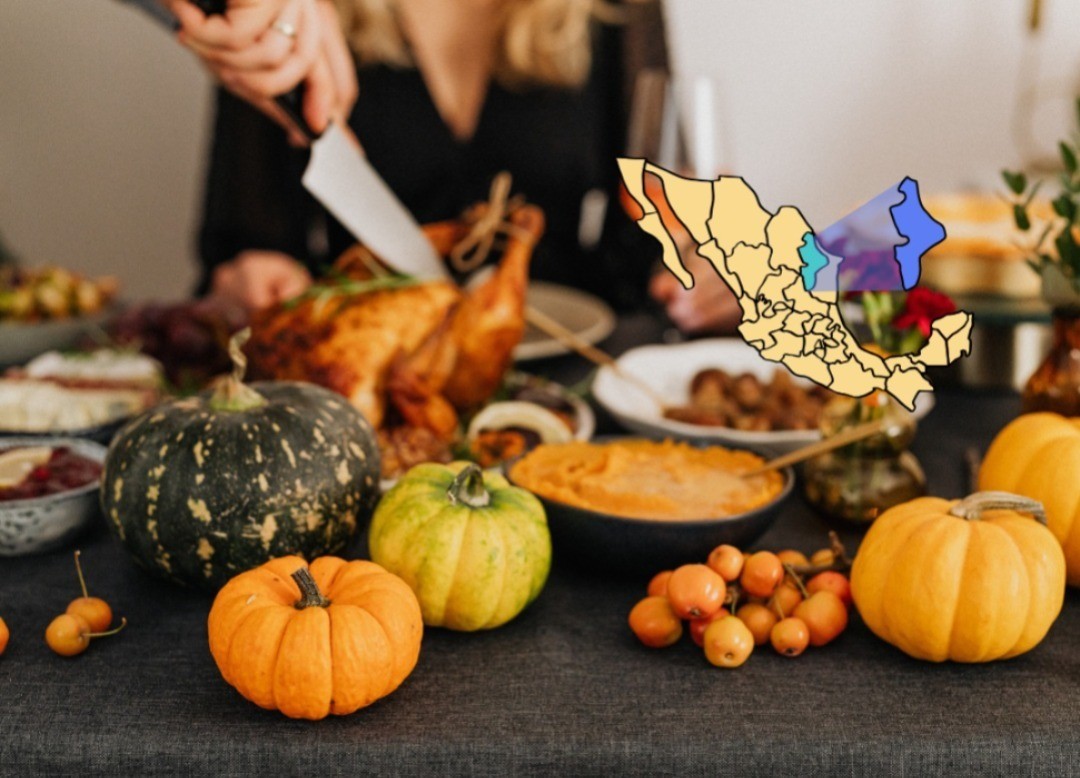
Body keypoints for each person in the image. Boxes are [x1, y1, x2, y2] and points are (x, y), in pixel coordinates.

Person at [172, 0, 740, 332]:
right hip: (365, 372)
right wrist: (253, 278)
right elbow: (242, 239)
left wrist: (695, 267)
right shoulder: (284, 8)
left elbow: (650, 232)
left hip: (570, 375)